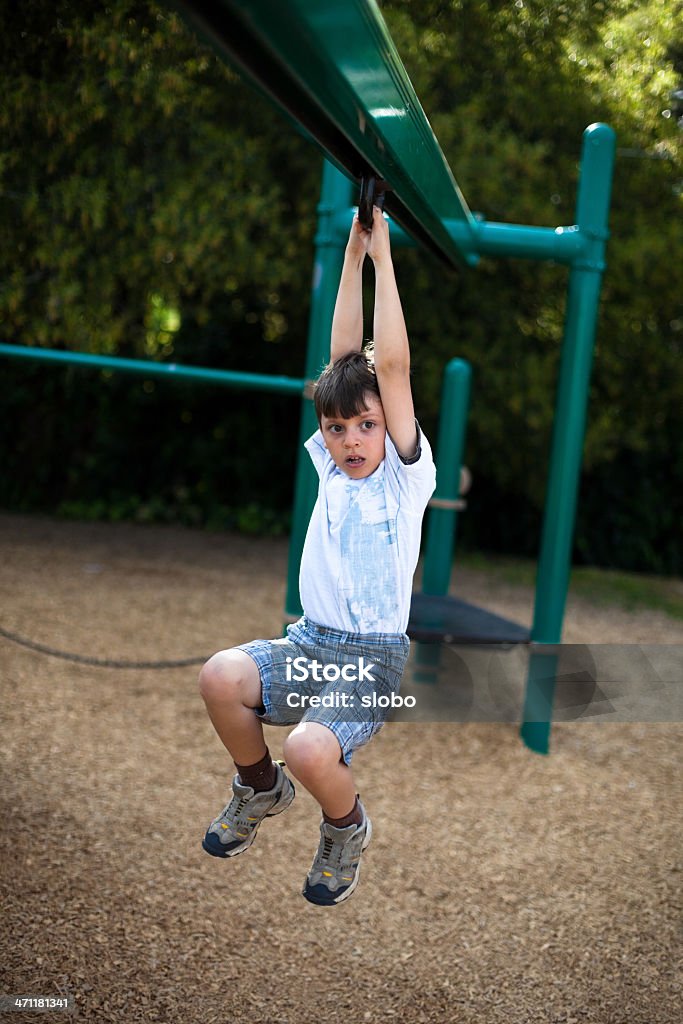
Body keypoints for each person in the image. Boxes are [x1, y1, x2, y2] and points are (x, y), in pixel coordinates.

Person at [198, 206, 436, 906]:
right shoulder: (333, 467)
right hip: (309, 642)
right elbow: (339, 362)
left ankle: (345, 826)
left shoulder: (402, 474)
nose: (352, 439)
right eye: (338, 428)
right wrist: (350, 257)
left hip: (370, 658)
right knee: (220, 677)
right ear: (324, 435)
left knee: (309, 749)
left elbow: (387, 364)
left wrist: (385, 255)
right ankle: (259, 789)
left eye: (366, 425)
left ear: (386, 427)